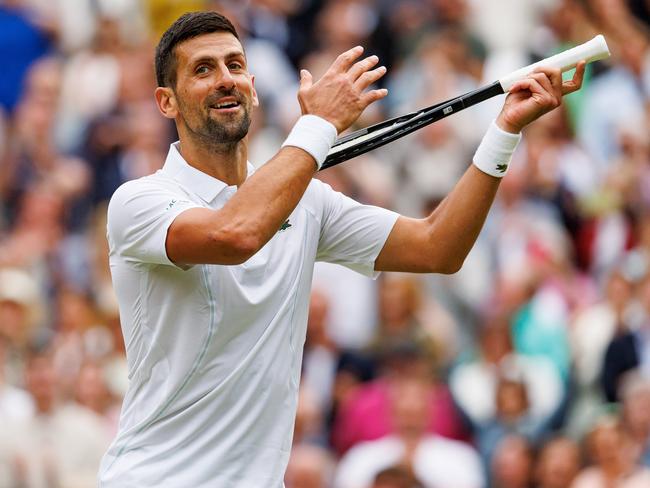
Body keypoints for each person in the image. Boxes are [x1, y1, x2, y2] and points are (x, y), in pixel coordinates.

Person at [99, 10, 585, 487]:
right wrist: (319, 126)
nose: (225, 79)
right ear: (167, 102)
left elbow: (438, 247)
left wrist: (505, 130)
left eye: (235, 64)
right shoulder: (139, 201)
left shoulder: (304, 200)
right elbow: (236, 235)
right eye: (202, 69)